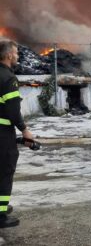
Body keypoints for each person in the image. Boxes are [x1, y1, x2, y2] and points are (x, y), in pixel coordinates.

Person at [0, 40, 35, 228]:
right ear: (8, 55)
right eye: (16, 53)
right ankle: (0, 215)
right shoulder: (8, 77)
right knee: (5, 172)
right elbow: (13, 110)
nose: (18, 56)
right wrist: (24, 129)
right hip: (2, 133)